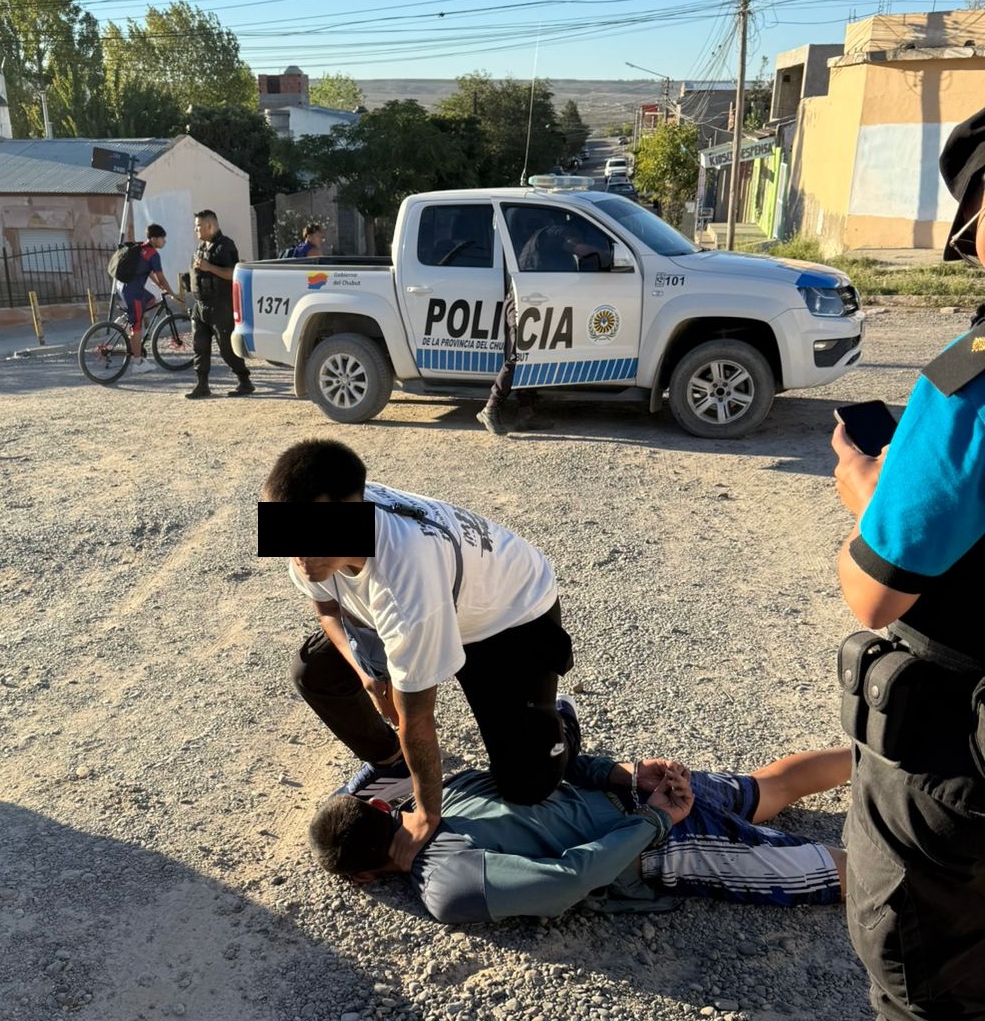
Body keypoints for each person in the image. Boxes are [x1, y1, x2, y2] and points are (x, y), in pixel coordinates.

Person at [831, 105, 985, 1021]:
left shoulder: (969, 380)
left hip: (954, 765)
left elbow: (875, 589)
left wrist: (864, 487)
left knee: (920, 983)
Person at [265, 439, 577, 870]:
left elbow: (418, 719)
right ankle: (389, 764)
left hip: (506, 612)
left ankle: (555, 720)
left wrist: (427, 814)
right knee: (314, 670)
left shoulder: (406, 581)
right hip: (437, 595)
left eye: (313, 542)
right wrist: (368, 674)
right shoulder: (312, 533)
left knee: (528, 786)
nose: (301, 559)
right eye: (291, 538)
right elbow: (326, 608)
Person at [309, 729, 851, 923]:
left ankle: (927, 846)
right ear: (382, 807)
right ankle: (890, 757)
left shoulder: (446, 886)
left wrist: (657, 819)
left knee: (836, 873)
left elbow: (571, 878)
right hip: (643, 794)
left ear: (364, 877)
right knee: (771, 786)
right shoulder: (447, 792)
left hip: (662, 835)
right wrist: (632, 778)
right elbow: (552, 766)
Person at [475, 271, 552, 436]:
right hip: (523, 299)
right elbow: (525, 275)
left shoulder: (548, 246)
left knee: (534, 356)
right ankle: (490, 408)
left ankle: (526, 414)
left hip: (540, 298)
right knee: (518, 356)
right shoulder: (535, 246)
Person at [188, 209, 254, 399]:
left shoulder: (225, 246)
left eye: (199, 226)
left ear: (211, 225)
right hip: (201, 306)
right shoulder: (201, 247)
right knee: (200, 346)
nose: (196, 230)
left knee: (226, 348)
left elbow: (234, 272)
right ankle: (202, 385)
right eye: (195, 226)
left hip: (220, 306)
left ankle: (244, 381)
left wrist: (209, 268)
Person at [121, 223, 181, 374]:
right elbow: (161, 277)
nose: (164, 241)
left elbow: (147, 271)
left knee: (151, 299)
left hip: (125, 288)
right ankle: (137, 363)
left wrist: (157, 285)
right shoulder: (153, 254)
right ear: (154, 239)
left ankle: (128, 318)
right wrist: (172, 293)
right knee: (137, 328)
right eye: (162, 238)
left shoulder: (142, 248)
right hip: (133, 292)